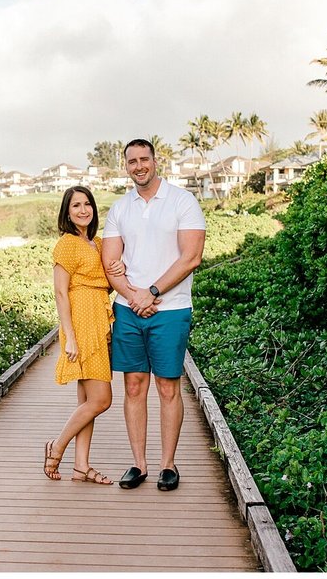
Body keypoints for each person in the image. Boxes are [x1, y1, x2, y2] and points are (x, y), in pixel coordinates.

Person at [101, 139, 206, 491]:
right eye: (132, 161)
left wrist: (153, 292)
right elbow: (110, 262)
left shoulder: (182, 201)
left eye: (144, 159)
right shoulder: (120, 208)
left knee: (167, 386)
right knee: (133, 385)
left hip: (171, 309)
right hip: (129, 309)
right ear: (126, 166)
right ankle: (139, 464)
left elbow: (190, 257)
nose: (139, 166)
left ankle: (168, 465)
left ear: (156, 160)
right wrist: (134, 295)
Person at [43, 185, 125, 485]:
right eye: (76, 205)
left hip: (100, 320)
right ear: (67, 211)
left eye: (87, 204)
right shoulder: (66, 244)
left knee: (87, 402)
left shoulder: (98, 243)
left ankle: (81, 467)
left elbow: (105, 284)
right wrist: (70, 337)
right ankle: (57, 446)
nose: (83, 210)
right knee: (102, 399)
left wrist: (120, 267)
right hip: (80, 324)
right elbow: (60, 293)